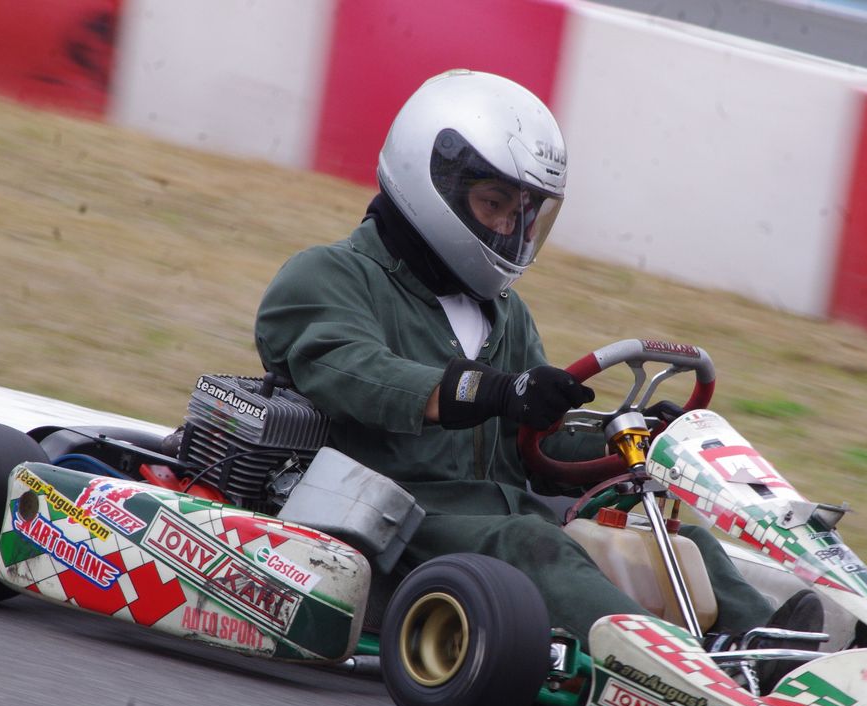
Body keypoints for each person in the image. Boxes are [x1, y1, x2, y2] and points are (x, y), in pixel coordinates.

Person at [254, 69, 824, 665]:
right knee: (532, 540)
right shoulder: (327, 276)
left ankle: (791, 657)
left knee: (670, 538)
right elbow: (358, 377)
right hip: (390, 520)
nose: (508, 228)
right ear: (434, 184)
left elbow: (532, 447)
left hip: (498, 514)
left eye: (523, 212)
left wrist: (627, 436)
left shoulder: (505, 314)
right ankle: (669, 668)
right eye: (493, 203)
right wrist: (497, 390)